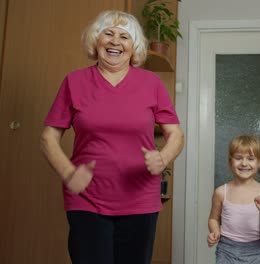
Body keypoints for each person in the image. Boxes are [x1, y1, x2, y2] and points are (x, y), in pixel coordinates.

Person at [40, 10, 184, 264]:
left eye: (124, 37)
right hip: (87, 198)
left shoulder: (151, 84)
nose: (115, 41)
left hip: (140, 199)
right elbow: (48, 137)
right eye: (108, 34)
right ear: (96, 41)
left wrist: (163, 158)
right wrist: (69, 172)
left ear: (134, 47)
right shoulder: (74, 82)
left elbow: (175, 134)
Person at [207, 135, 260, 264]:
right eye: (238, 158)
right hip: (225, 251)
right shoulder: (221, 192)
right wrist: (215, 231)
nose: (244, 163)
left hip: (253, 252)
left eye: (250, 159)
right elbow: (213, 218)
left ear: (258, 163)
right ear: (230, 162)